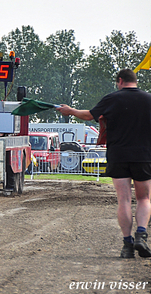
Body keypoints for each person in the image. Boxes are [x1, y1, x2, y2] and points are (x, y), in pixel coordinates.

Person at [57, 69, 151, 259]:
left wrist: (70, 111)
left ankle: (127, 245)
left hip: (118, 155)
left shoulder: (112, 99)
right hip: (144, 155)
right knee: (144, 199)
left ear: (120, 81)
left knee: (123, 200)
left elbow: (88, 115)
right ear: (135, 81)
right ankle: (141, 234)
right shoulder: (148, 99)